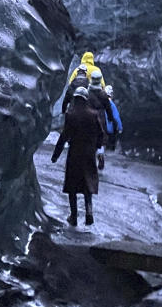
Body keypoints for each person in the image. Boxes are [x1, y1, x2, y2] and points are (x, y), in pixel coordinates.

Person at [51, 86, 104, 226]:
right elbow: (101, 133)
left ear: (75, 99)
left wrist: (56, 154)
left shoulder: (71, 114)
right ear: (86, 99)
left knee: (72, 185)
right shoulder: (93, 114)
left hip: (75, 153)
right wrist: (98, 148)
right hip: (89, 153)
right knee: (88, 183)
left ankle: (73, 216)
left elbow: (64, 136)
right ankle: (89, 212)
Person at [104, 84, 123, 150]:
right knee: (110, 146)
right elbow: (116, 117)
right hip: (110, 129)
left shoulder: (100, 102)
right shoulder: (112, 104)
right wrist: (120, 128)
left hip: (101, 128)